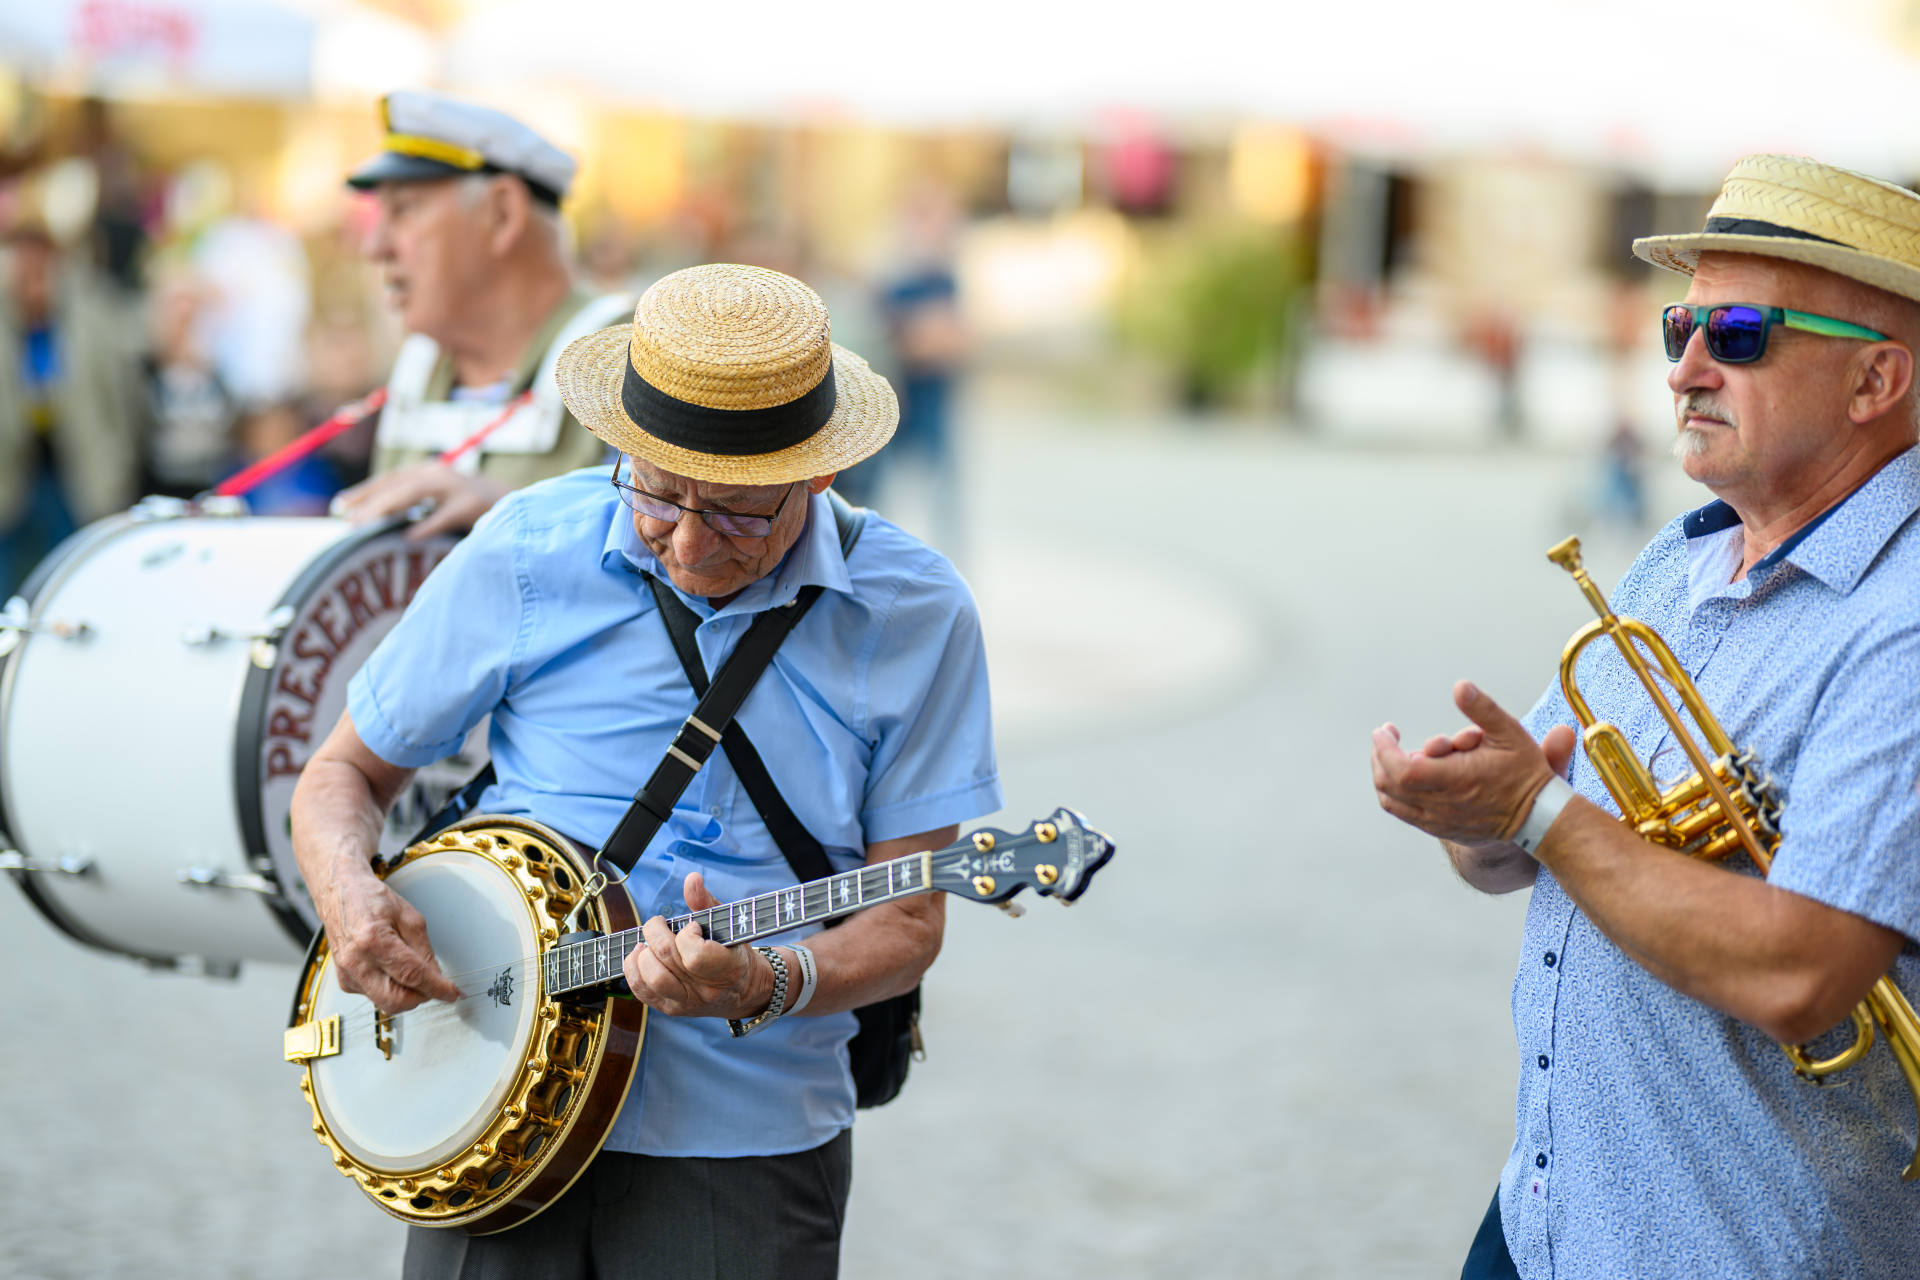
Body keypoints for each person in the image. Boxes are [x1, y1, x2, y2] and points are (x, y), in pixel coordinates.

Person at [290, 263, 1001, 1279]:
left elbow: (909, 920)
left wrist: (768, 979)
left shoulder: (916, 614)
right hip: (485, 1113)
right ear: (620, 447)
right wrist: (349, 896)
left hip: (747, 1138)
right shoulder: (528, 548)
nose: (691, 545)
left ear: (819, 477)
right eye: (659, 495)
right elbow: (340, 776)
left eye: (739, 513)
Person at [1371, 154, 1920, 1279]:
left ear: (1875, 380)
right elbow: (1527, 841)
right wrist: (1476, 820)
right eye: (1682, 326)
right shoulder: (1681, 558)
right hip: (1546, 1217)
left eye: (1741, 334)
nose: (1686, 369)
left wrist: (1535, 814)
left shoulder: (1904, 621)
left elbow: (1801, 971)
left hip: (1744, 1250)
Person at [328, 91, 633, 538]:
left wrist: (516, 516)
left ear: (502, 213)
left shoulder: (634, 363)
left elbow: (686, 550)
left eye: (404, 210)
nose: (375, 248)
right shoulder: (420, 365)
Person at [0, 220, 144, 597]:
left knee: (72, 572)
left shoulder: (90, 314)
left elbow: (123, 395)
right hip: (14, 470)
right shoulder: (8, 320)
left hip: (76, 468)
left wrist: (120, 460)